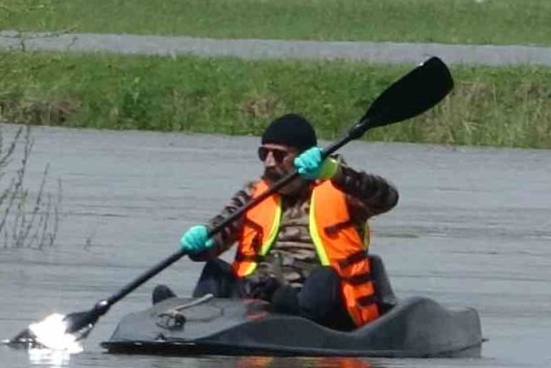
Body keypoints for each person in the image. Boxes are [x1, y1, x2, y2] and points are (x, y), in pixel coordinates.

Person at [153, 113, 399, 331]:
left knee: (324, 276)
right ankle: (192, 316)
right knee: (215, 269)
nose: (269, 162)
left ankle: (291, 318)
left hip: (317, 302)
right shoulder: (254, 194)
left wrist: (337, 172)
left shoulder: (343, 191)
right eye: (264, 154)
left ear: (301, 156)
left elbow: (387, 198)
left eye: (279, 155)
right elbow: (221, 229)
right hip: (257, 293)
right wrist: (203, 242)